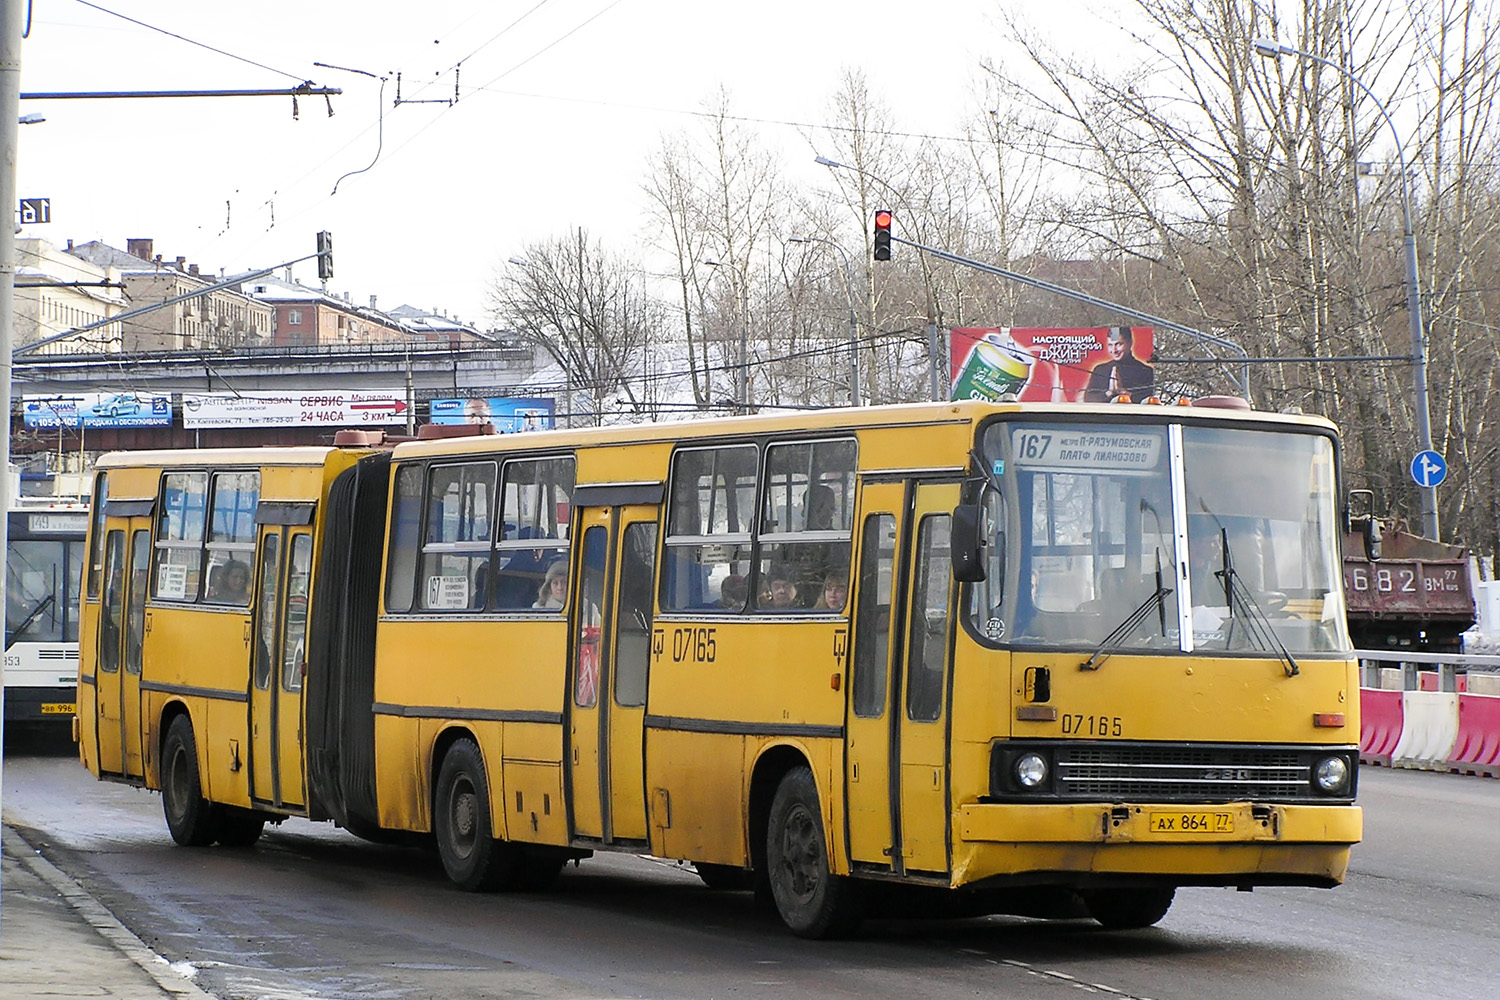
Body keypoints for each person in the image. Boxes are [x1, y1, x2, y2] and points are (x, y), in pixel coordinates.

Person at [1084, 327, 1154, 403]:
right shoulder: (1100, 370)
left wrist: (1124, 393)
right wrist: (1109, 393)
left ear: (1130, 343)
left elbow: (1148, 401)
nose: (1114, 350)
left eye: (1118, 344)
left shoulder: (1145, 371)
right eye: (1110, 345)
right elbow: (1088, 399)